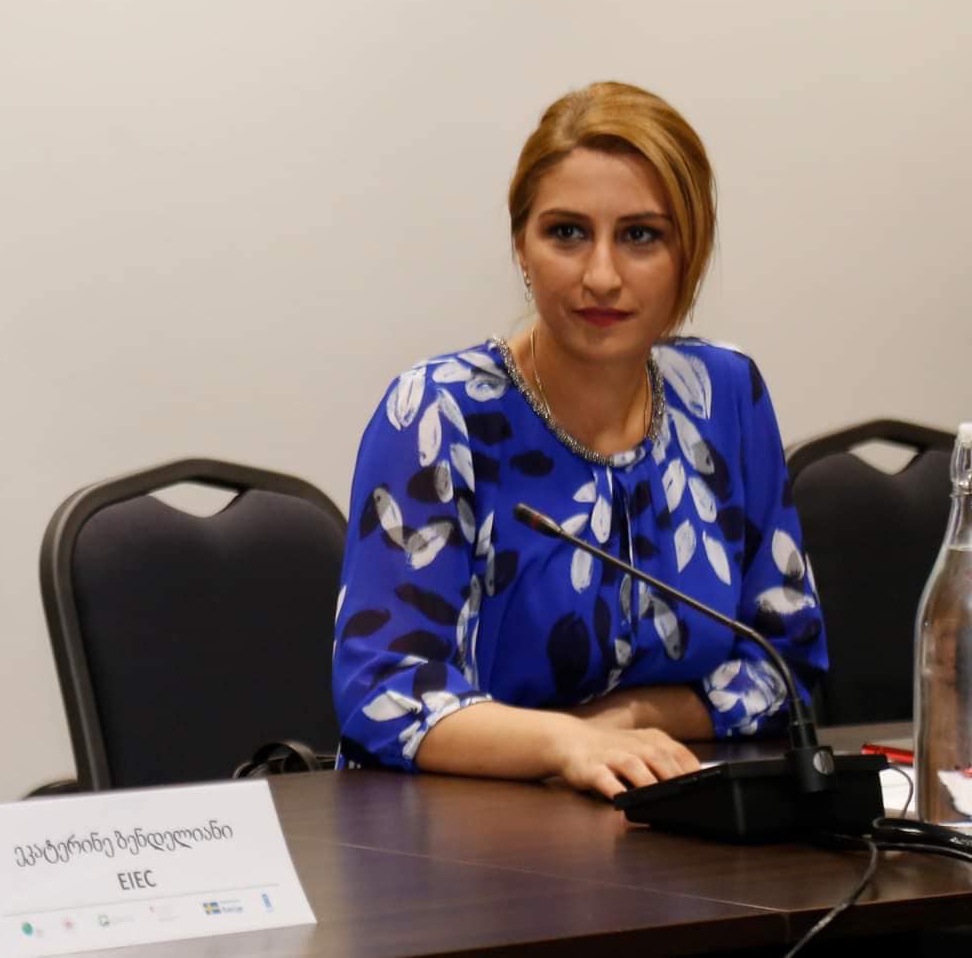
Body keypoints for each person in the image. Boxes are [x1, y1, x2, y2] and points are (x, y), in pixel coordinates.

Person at [330, 81, 826, 799]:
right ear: (520, 248)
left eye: (640, 236)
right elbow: (384, 692)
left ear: (689, 254)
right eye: (566, 233)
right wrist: (565, 742)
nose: (601, 275)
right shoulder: (437, 415)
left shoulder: (724, 398)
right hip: (457, 832)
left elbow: (787, 663)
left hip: (667, 813)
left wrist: (627, 720)